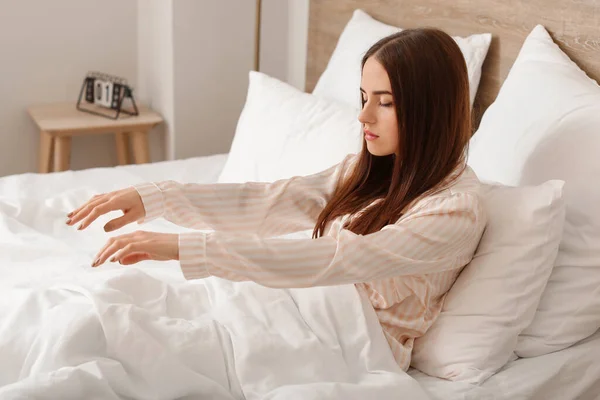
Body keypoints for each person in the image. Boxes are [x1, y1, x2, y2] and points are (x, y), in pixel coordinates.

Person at [65, 28, 487, 371]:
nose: (363, 117)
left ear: (430, 110)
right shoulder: (369, 171)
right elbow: (270, 202)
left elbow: (334, 260)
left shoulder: (454, 211)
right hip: (298, 307)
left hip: (352, 343)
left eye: (386, 103)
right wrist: (155, 197)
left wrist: (183, 247)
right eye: (363, 98)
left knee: (132, 351)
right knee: (106, 319)